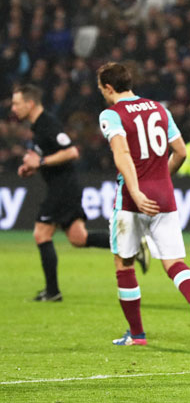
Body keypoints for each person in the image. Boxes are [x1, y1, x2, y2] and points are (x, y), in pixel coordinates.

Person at [96, 62, 190, 348]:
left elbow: (122, 152)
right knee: (174, 262)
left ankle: (137, 335)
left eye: (101, 87)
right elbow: (181, 152)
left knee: (124, 264)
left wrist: (136, 191)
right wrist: (160, 178)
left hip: (132, 200)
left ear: (108, 87)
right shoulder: (159, 109)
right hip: (165, 195)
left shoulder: (111, 114)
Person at [11, 84, 112, 302]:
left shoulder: (48, 123)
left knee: (41, 234)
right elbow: (46, 158)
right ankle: (129, 245)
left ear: (30, 103)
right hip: (64, 187)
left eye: (16, 103)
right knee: (78, 238)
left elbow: (72, 151)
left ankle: (52, 291)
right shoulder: (38, 127)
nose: (13, 108)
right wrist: (32, 166)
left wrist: (41, 161)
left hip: (63, 189)